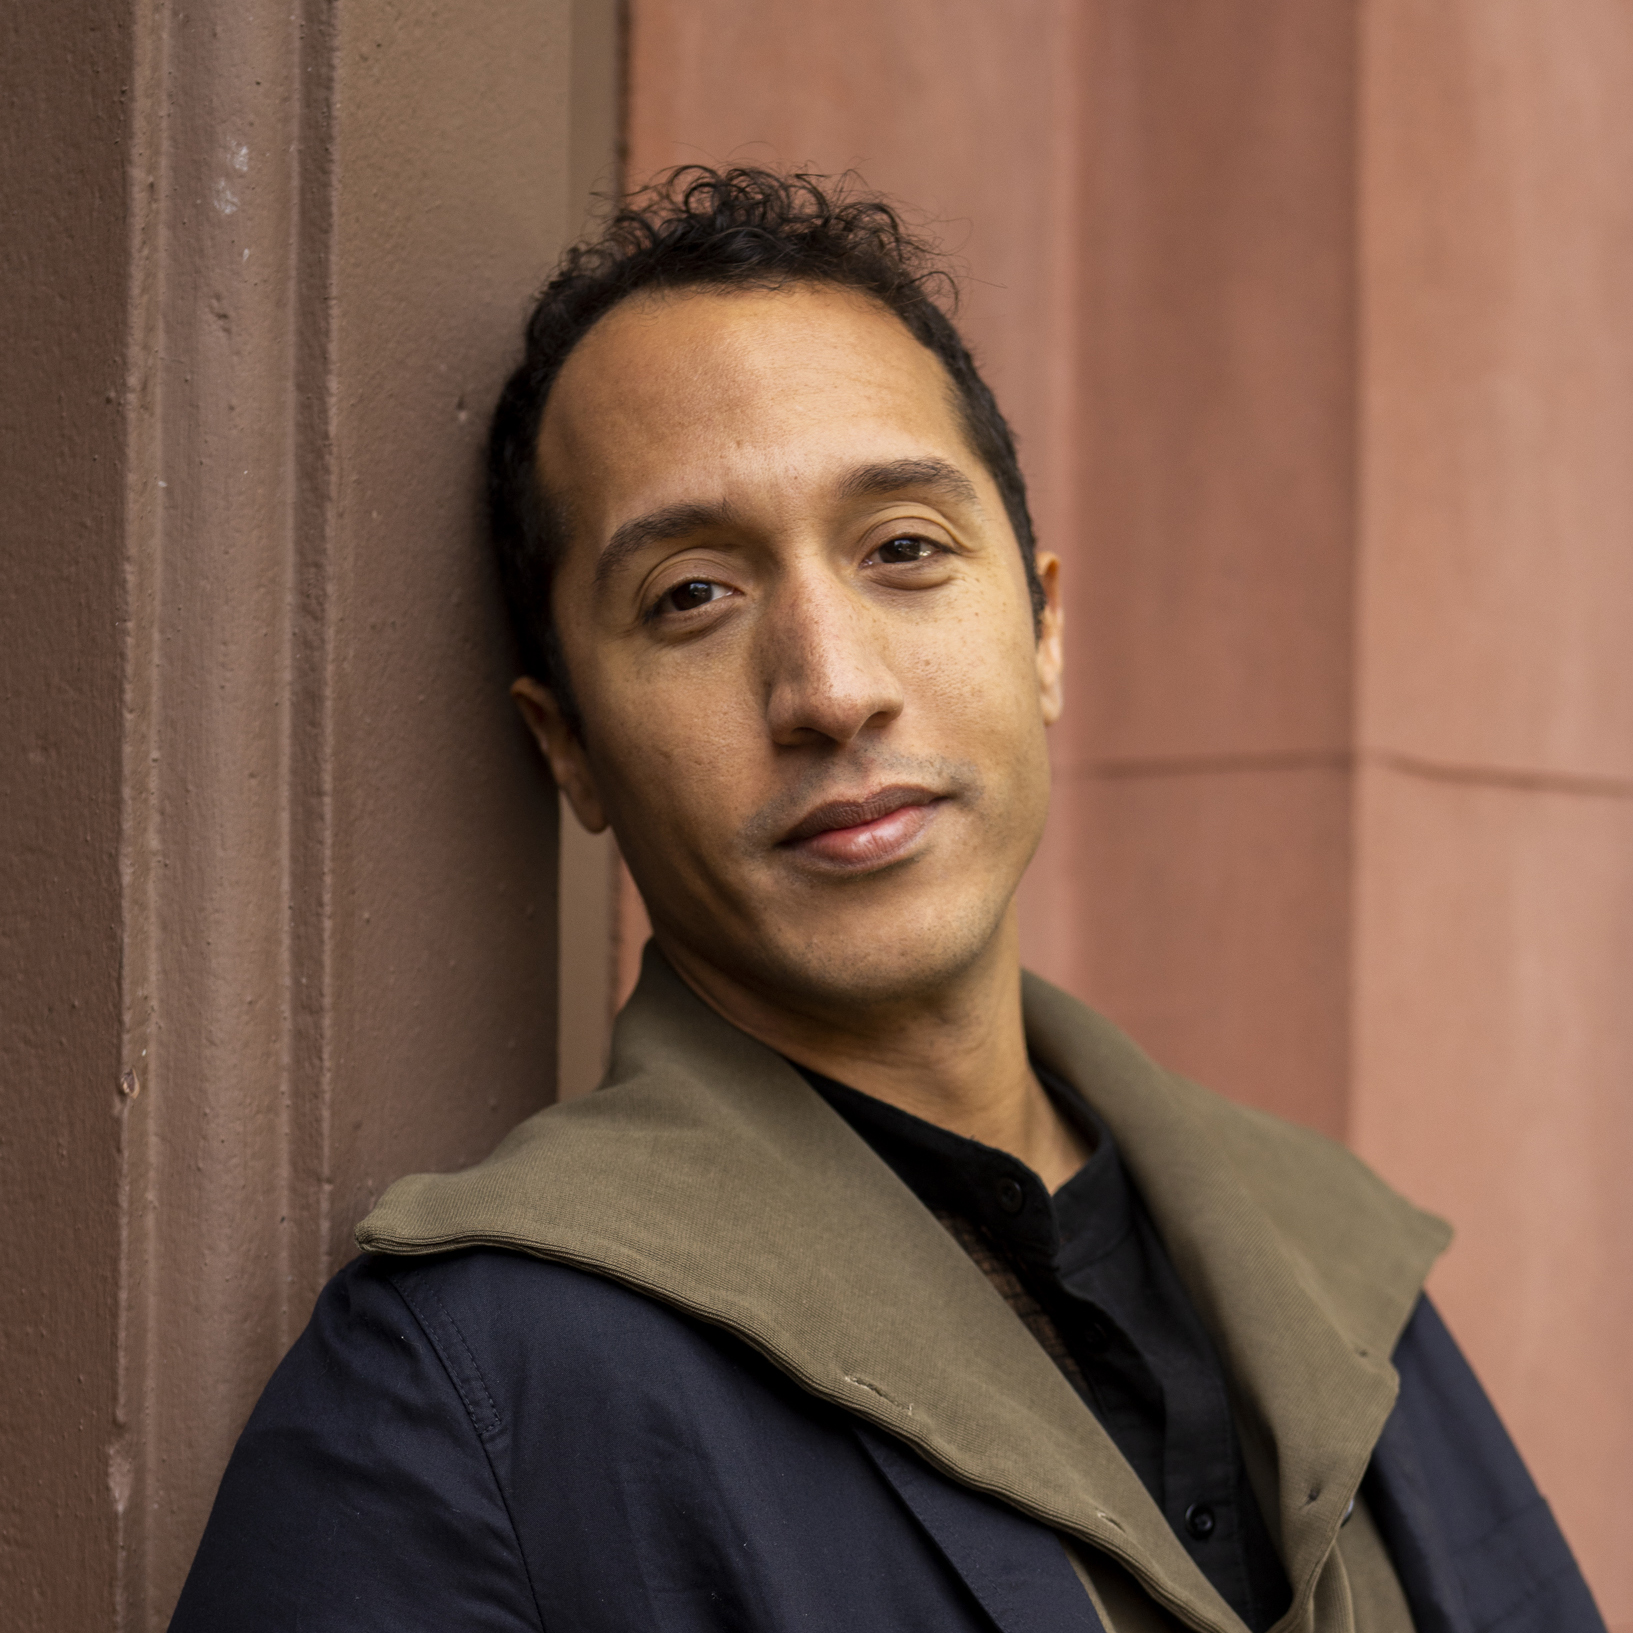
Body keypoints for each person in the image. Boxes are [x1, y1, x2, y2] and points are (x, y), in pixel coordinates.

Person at [170, 168, 1604, 1633]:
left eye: (904, 551)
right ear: (568, 750)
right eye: (692, 597)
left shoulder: (1330, 1269)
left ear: (1041, 627)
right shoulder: (467, 1394)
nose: (833, 689)